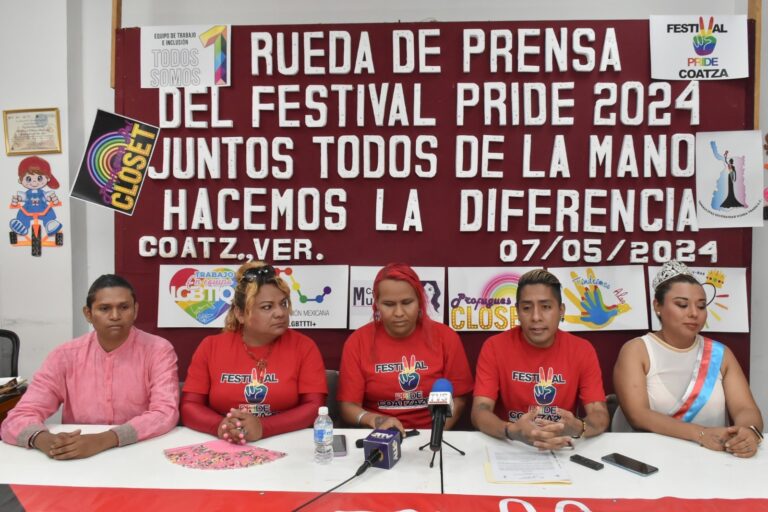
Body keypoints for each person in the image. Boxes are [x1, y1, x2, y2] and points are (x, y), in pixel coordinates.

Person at [1, 275, 179, 459]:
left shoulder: (158, 350)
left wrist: (104, 440)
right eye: (104, 308)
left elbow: (165, 413)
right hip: (78, 456)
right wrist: (47, 441)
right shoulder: (65, 355)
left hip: (141, 451)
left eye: (124, 307)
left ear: (135, 310)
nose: (115, 316)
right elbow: (18, 417)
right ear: (88, 313)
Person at [612, 260, 763, 457]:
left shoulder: (720, 354)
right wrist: (700, 434)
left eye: (701, 306)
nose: (693, 313)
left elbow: (745, 409)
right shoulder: (637, 350)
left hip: (713, 460)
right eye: (682, 305)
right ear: (657, 306)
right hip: (649, 458)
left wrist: (748, 432)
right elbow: (638, 415)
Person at [181, 262, 327, 443]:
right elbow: (189, 406)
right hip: (225, 441)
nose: (280, 313)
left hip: (285, 440)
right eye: (267, 307)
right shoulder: (210, 346)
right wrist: (220, 426)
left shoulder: (304, 346)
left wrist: (264, 427)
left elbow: (315, 406)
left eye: (283, 304)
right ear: (240, 314)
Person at [472, 269, 608, 449]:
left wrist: (577, 427)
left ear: (561, 310)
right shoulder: (494, 347)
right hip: (511, 444)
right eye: (527, 308)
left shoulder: (582, 350)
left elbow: (599, 414)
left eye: (546, 307)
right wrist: (512, 431)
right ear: (517, 311)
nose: (536, 317)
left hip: (561, 445)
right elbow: (480, 411)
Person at [337, 263, 473, 433]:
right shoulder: (357, 342)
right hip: (380, 434)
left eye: (407, 302)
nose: (399, 313)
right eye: (389, 304)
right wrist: (375, 420)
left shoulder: (446, 338)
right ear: (376, 304)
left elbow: (459, 398)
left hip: (431, 434)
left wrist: (435, 435)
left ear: (420, 301)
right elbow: (348, 406)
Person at [9, 156, 62, 236]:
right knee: (23, 214)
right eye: (28, 179)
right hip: (28, 210)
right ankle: (21, 225)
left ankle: (50, 224)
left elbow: (48, 197)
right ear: (20, 180)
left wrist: (54, 199)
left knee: (48, 213)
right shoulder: (26, 194)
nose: (34, 182)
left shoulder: (43, 193)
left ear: (48, 178)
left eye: (39, 178)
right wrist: (16, 200)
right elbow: (21, 198)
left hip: (42, 210)